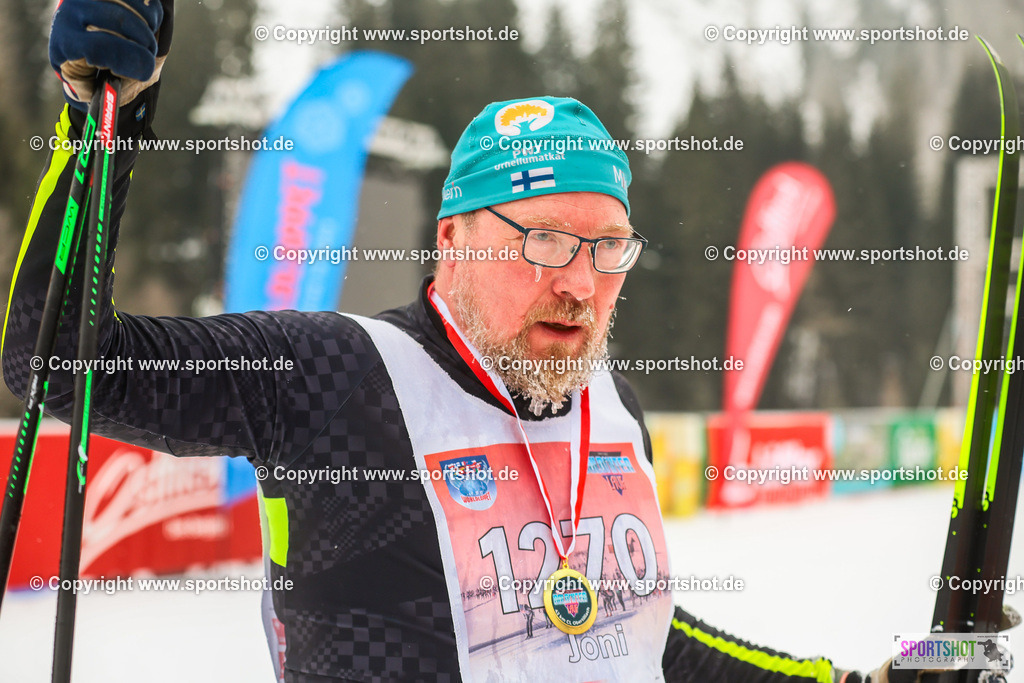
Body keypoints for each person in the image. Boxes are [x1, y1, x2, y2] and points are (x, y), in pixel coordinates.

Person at [0, 1, 962, 681]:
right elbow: (57, 363)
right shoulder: (331, 375)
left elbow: (637, 635)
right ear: (452, 240)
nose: (580, 281)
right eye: (541, 239)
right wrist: (103, 124)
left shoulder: (608, 405)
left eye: (609, 247)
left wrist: (854, 681)